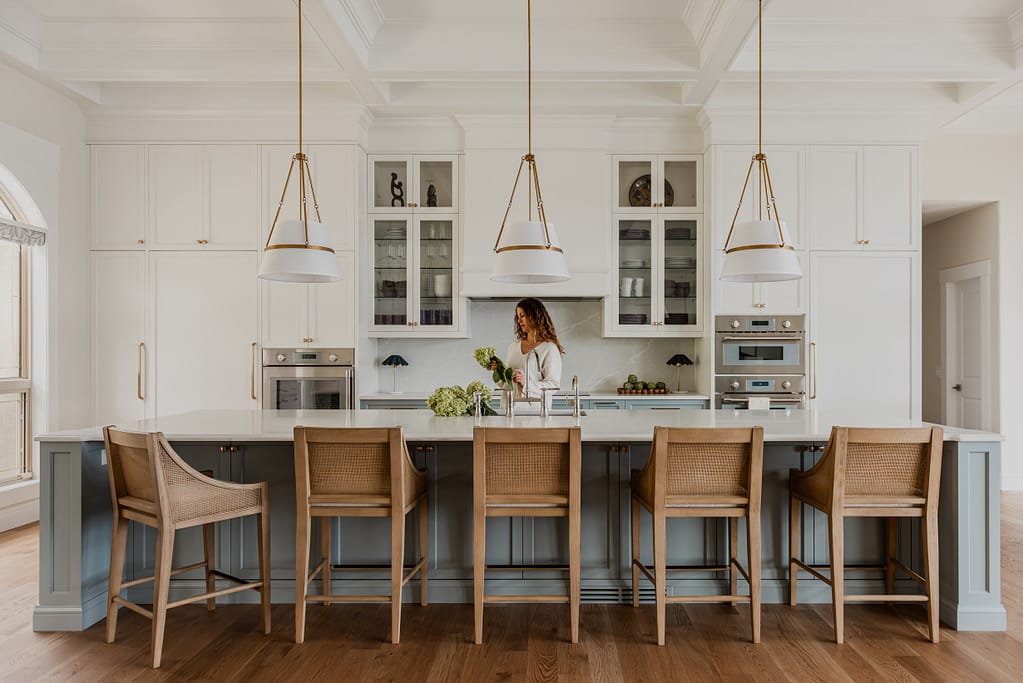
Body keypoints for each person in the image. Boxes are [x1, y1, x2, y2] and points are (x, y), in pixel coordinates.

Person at [493, 298, 565, 405]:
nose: (519, 321)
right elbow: (507, 384)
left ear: (535, 316)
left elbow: (553, 385)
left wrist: (526, 384)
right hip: (509, 408)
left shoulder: (549, 349)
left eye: (522, 316)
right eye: (518, 317)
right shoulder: (513, 347)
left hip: (535, 410)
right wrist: (498, 371)